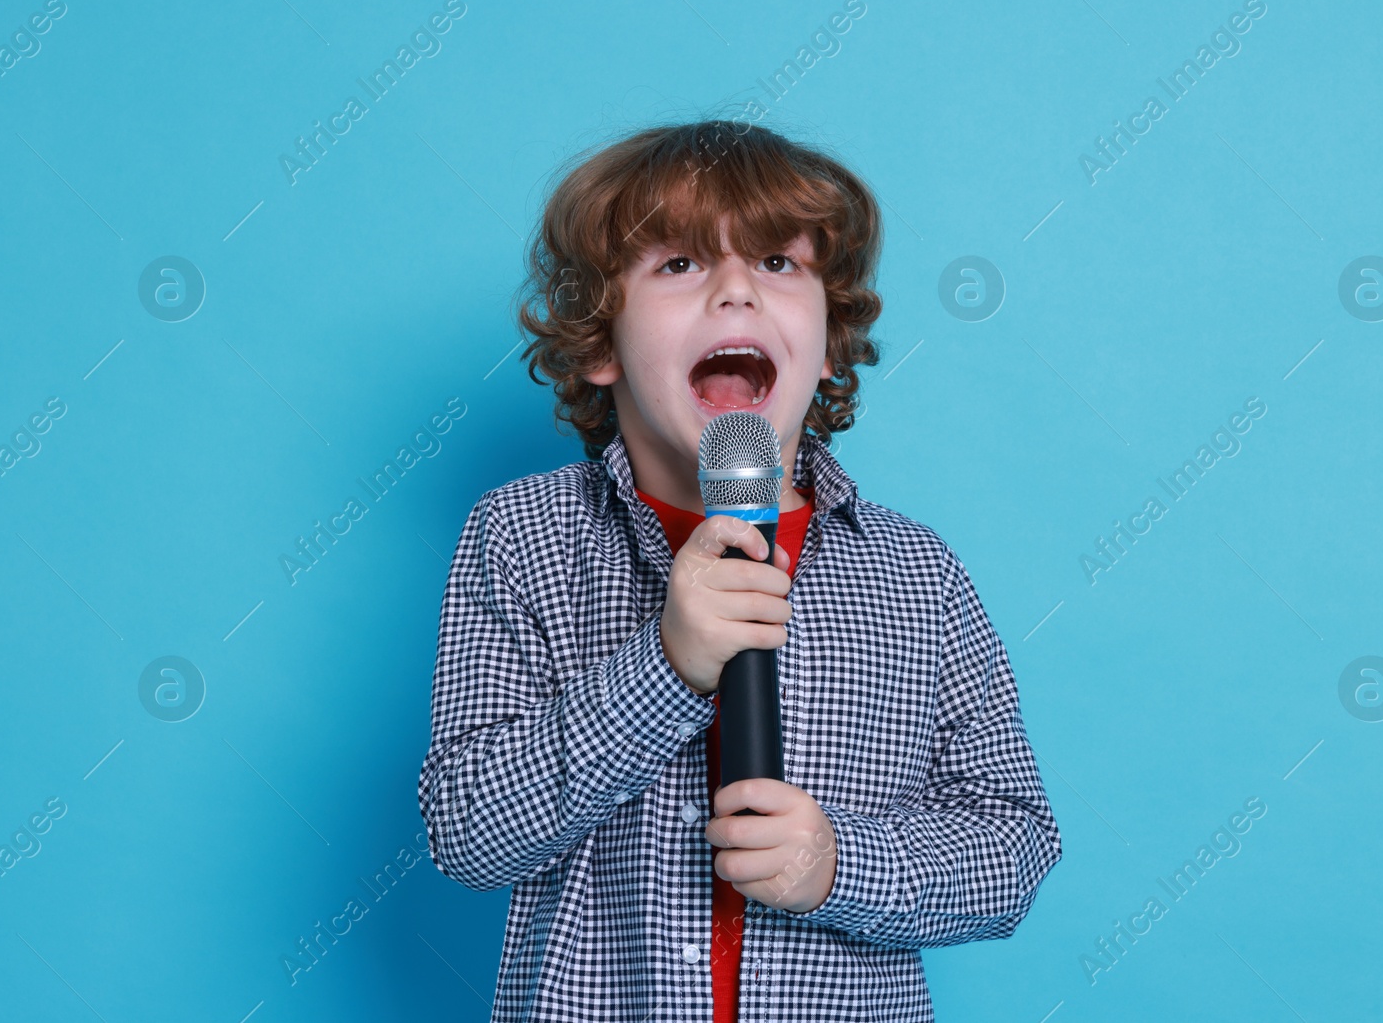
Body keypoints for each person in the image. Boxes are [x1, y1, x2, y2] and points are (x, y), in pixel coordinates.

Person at [418, 118, 1062, 1022]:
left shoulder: (917, 573)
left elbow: (1011, 847)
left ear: (830, 338)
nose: (735, 293)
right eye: (679, 264)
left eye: (777, 263)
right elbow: (469, 830)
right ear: (600, 343)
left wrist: (840, 866)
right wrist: (668, 665)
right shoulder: (524, 535)